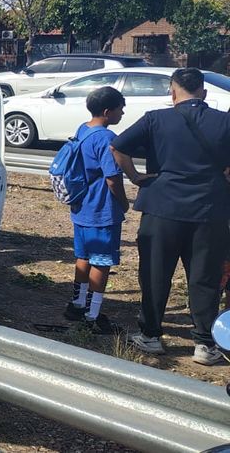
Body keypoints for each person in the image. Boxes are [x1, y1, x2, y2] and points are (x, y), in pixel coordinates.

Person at [111, 68, 230, 365]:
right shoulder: (225, 121)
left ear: (172, 91)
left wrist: (136, 177)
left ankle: (151, 335)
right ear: (203, 92)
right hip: (210, 210)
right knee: (205, 277)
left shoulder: (155, 119)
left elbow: (118, 147)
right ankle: (205, 343)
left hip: (162, 207)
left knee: (155, 273)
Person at [62, 86, 129, 334]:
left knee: (83, 256)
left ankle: (77, 303)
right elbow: (112, 177)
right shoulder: (106, 139)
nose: (122, 113)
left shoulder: (83, 129)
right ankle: (93, 315)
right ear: (107, 111)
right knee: (101, 262)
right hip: (102, 209)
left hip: (81, 207)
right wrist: (123, 202)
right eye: (120, 109)